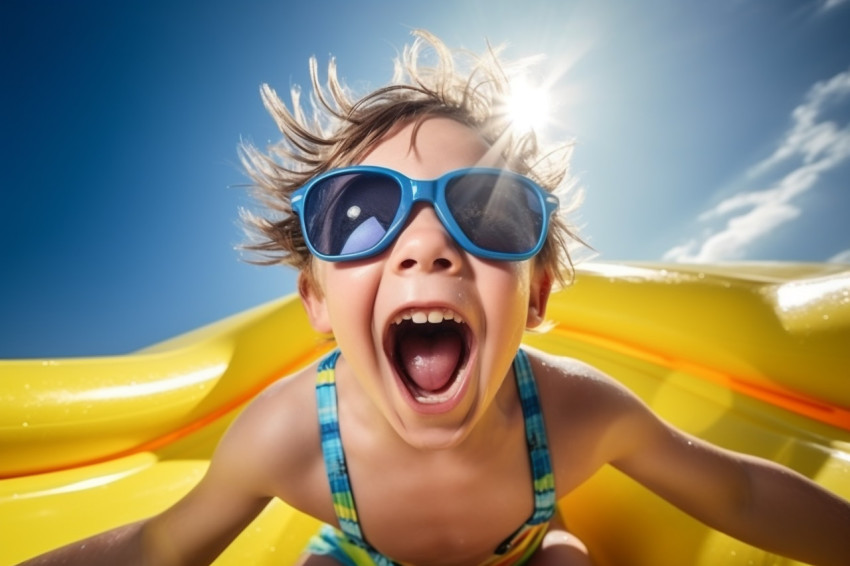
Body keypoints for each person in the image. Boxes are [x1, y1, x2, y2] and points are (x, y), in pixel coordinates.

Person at [17, 30, 850, 566]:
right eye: (360, 216)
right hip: (359, 552)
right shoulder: (288, 436)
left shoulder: (578, 414)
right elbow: (164, 544)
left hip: (521, 550)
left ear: (536, 297)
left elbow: (736, 491)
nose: (426, 243)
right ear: (315, 300)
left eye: (487, 210)